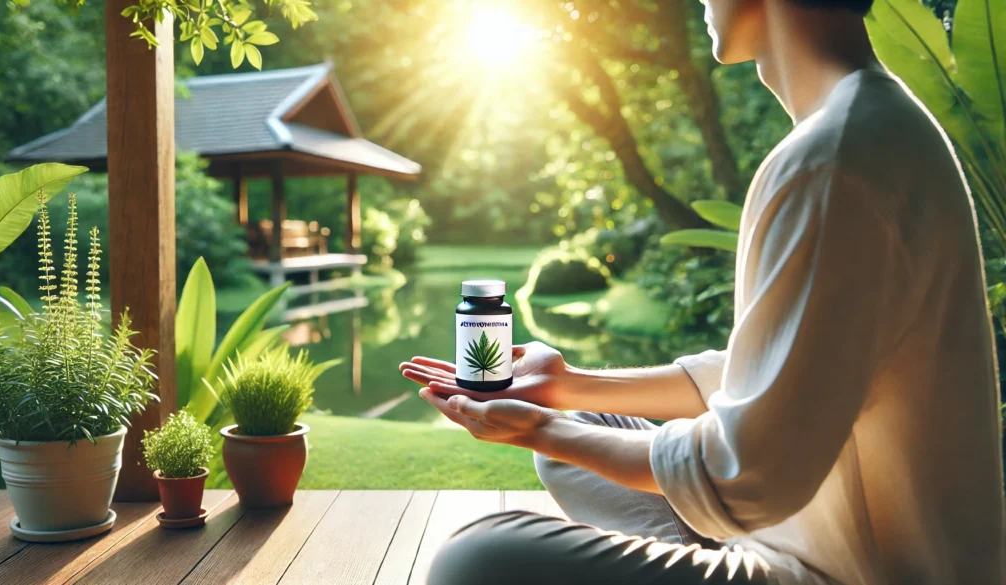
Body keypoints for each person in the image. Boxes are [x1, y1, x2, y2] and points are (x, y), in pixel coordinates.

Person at [399, 0, 1006, 581]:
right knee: (579, 420)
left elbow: (746, 474)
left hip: (843, 571)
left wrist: (536, 428)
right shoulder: (866, 123)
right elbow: (772, 374)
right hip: (798, 527)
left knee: (478, 559)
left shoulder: (834, 161)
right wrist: (567, 386)